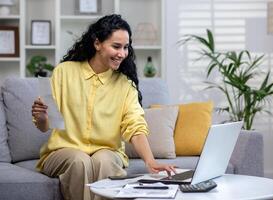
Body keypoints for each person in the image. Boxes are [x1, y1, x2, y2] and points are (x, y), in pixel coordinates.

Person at [31, 14, 176, 200]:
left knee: (104, 160)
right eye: (116, 46)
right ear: (97, 43)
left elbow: (135, 126)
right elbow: (46, 125)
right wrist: (42, 118)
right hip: (63, 151)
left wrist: (150, 161)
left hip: (108, 152)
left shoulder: (125, 84)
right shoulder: (64, 72)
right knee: (80, 161)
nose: (122, 54)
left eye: (126, 47)